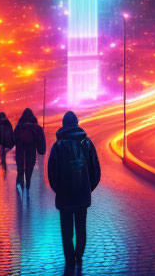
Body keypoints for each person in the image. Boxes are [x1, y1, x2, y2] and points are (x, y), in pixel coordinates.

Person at [47, 111, 101, 265]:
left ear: (63, 125)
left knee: (66, 230)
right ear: (77, 123)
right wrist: (88, 188)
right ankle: (79, 256)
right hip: (82, 194)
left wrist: (59, 189)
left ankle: (69, 259)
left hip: (64, 196)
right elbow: (95, 170)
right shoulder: (87, 143)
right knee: (81, 227)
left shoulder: (58, 146)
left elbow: (52, 172)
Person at [13, 108, 46, 191]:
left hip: (20, 151)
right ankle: (27, 184)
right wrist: (41, 150)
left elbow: (14, 138)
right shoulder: (36, 127)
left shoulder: (19, 126)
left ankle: (20, 184)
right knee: (29, 168)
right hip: (31, 151)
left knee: (20, 168)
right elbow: (41, 140)